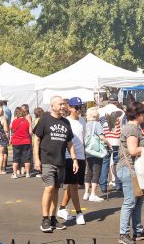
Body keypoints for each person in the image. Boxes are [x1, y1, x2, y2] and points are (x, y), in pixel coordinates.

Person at [33, 96, 79, 233]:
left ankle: (53, 218)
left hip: (61, 161)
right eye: (60, 104)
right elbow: (36, 139)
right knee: (49, 187)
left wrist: (74, 159)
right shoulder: (45, 119)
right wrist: (36, 159)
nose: (63, 106)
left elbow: (69, 143)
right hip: (47, 160)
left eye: (64, 104)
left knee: (56, 189)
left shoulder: (66, 122)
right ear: (52, 106)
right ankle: (45, 219)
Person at [116, 102, 144, 244]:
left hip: (133, 168)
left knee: (137, 201)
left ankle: (138, 231)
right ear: (138, 115)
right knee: (130, 201)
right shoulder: (132, 128)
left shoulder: (133, 127)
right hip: (128, 168)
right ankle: (123, 233)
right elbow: (132, 150)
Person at [57, 97, 86, 225]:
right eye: (76, 107)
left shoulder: (83, 121)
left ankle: (62, 208)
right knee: (74, 185)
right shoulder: (65, 122)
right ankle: (79, 212)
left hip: (81, 156)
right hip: (69, 157)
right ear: (70, 108)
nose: (79, 110)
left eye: (80, 107)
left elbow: (84, 139)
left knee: (72, 185)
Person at [84, 107, 112, 202]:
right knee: (97, 171)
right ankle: (93, 194)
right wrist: (109, 144)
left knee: (89, 171)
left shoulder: (86, 124)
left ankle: (86, 192)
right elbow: (102, 137)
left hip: (88, 149)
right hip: (96, 150)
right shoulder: (97, 124)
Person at [99, 93, 124, 193]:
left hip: (105, 139)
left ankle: (103, 185)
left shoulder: (100, 111)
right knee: (117, 161)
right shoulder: (120, 112)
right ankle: (118, 184)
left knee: (105, 162)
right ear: (117, 102)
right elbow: (122, 126)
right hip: (116, 139)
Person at [10, 107, 32, 179]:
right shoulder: (27, 121)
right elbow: (30, 132)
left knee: (16, 158)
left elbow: (11, 128)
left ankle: (15, 174)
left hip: (16, 141)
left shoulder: (14, 121)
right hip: (26, 141)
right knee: (27, 158)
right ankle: (28, 173)